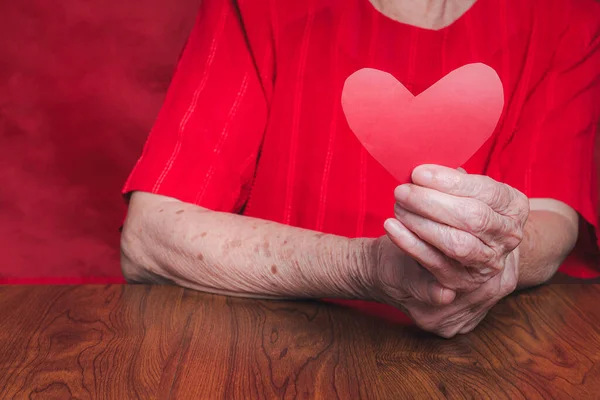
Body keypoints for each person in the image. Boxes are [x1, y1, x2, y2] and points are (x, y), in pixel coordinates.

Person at [120, 0, 600, 338]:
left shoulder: (563, 19)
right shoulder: (260, 6)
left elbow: (552, 216)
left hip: (475, 366)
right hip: (266, 352)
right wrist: (366, 269)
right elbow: (150, 235)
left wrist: (492, 261)